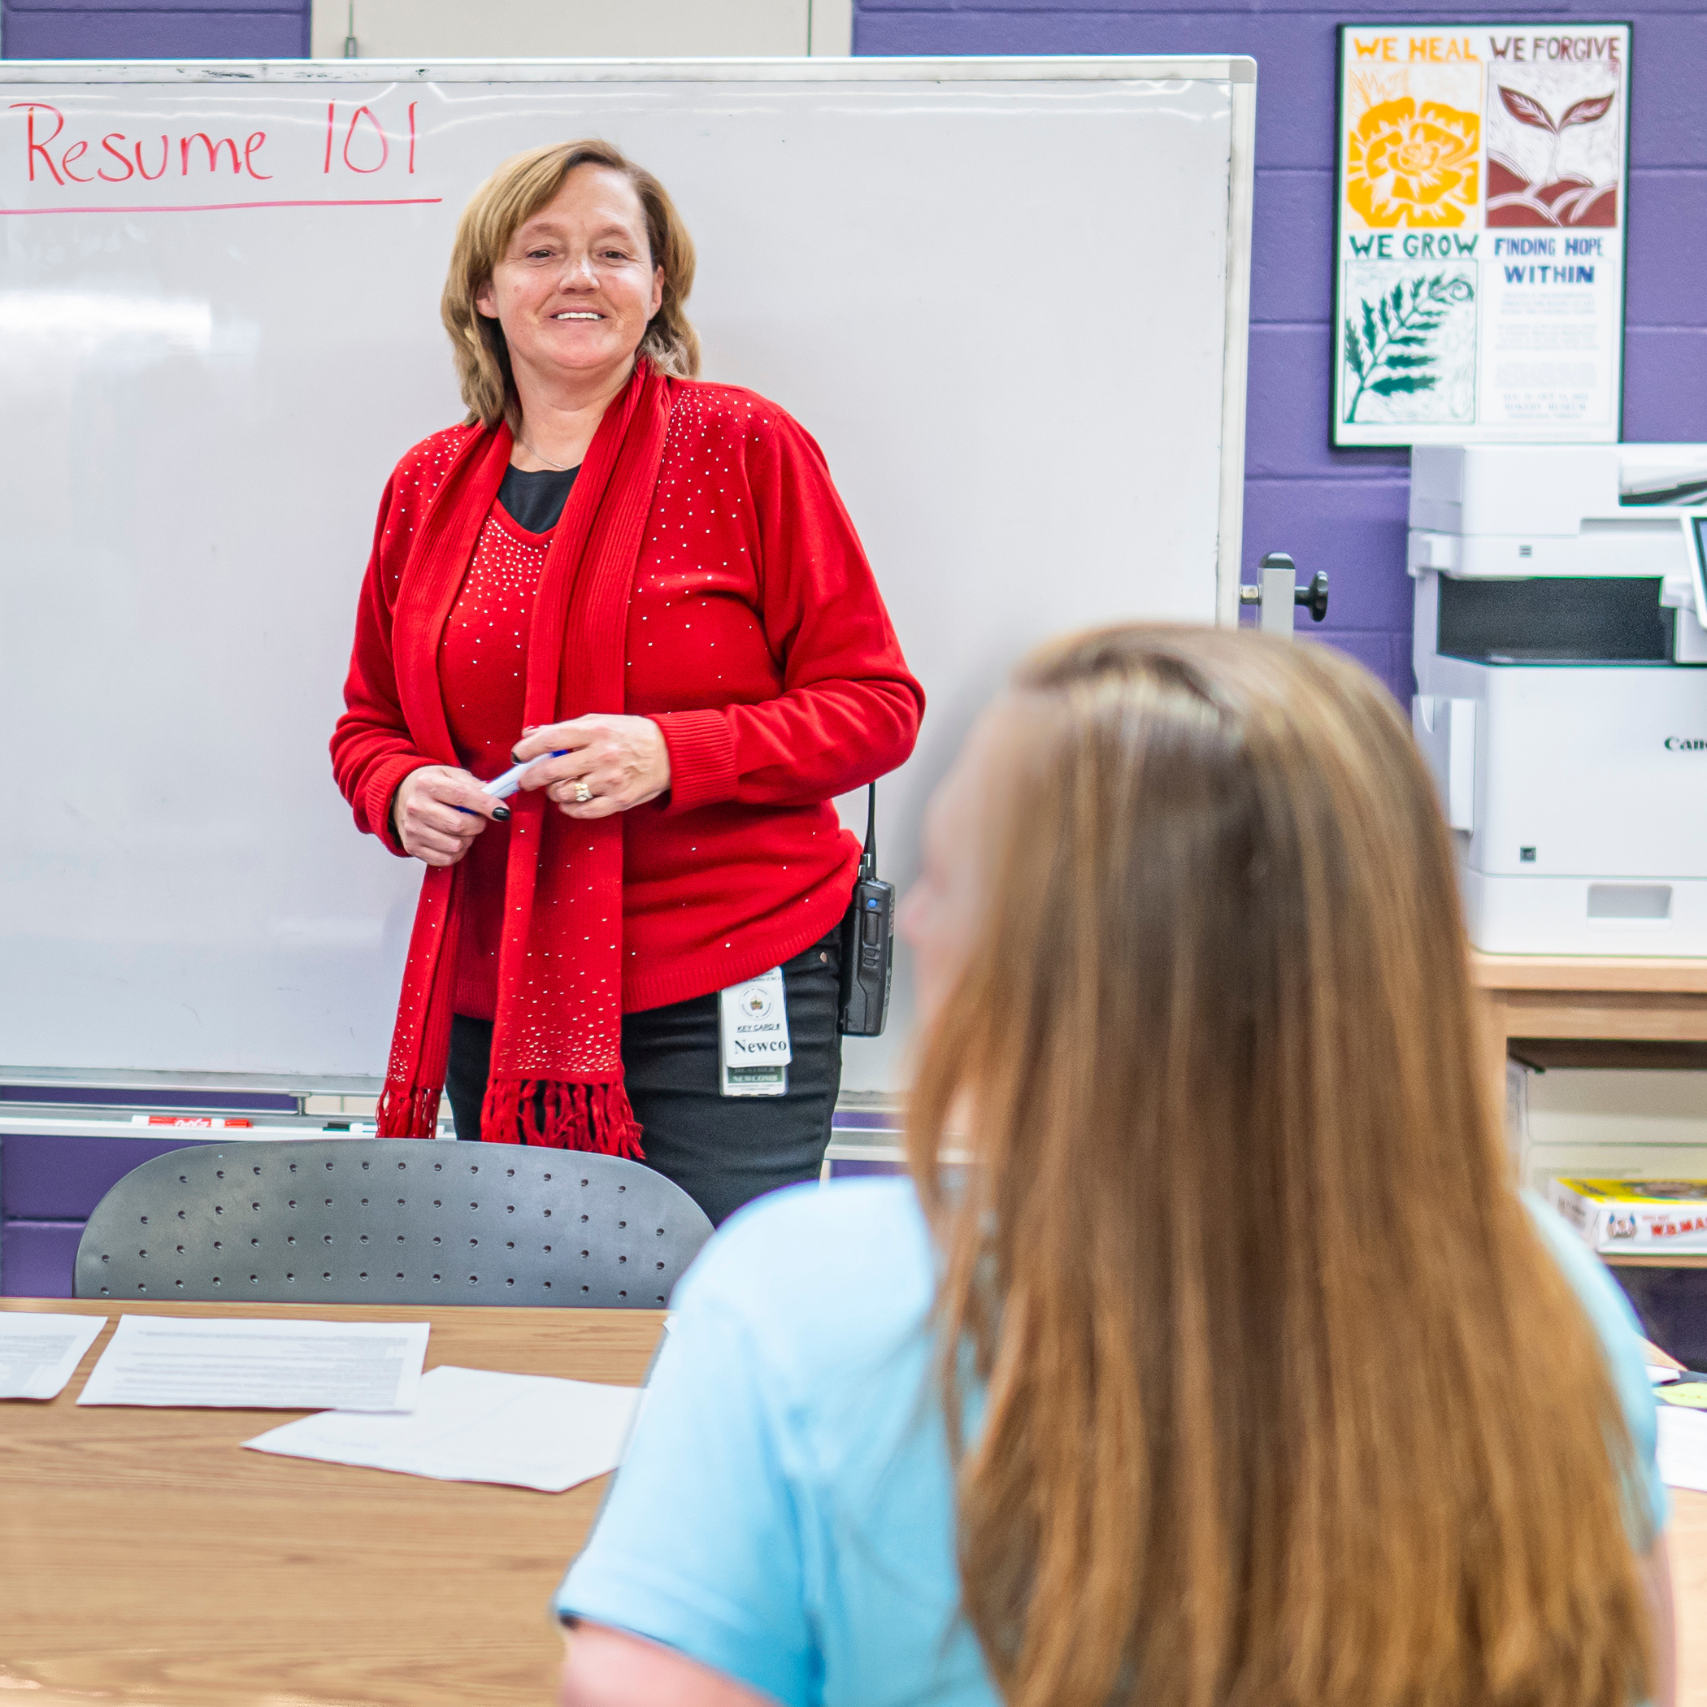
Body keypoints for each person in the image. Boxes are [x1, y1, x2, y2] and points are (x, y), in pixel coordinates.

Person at [552, 626, 1675, 1707]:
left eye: (948, 881)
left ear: (1046, 960)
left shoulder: (792, 1305)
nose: (920, 925)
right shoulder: (1545, 1296)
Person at [330, 141, 921, 1225]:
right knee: (528, 1317)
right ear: (484, 291)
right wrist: (400, 792)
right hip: (497, 987)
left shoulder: (746, 445)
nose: (579, 277)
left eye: (614, 252)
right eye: (541, 250)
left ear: (658, 289)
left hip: (734, 973)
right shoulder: (425, 484)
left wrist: (673, 754)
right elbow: (367, 725)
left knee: (707, 1309)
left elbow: (878, 708)